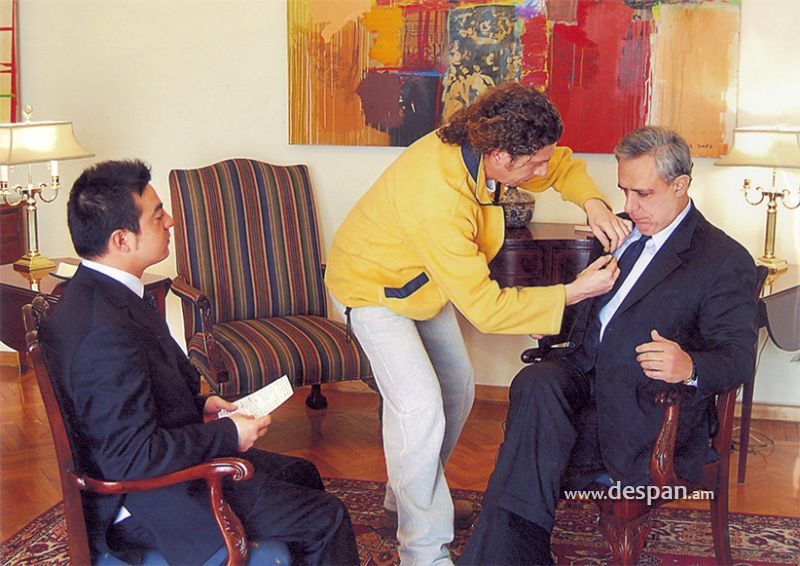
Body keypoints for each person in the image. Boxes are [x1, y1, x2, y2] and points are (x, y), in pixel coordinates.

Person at [324, 82, 630, 564]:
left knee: (458, 389)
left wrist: (591, 201)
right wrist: (572, 293)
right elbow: (486, 309)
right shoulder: (438, 197)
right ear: (500, 156)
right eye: (533, 164)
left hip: (425, 283)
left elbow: (559, 165)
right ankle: (423, 551)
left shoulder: (485, 146)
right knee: (420, 409)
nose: (542, 171)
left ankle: (405, 496)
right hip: (372, 288)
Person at [459, 126, 759, 565]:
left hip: (646, 412)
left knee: (527, 452)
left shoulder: (722, 259)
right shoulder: (622, 235)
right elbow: (599, 317)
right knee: (537, 382)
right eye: (624, 191)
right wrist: (554, 315)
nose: (629, 207)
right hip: (582, 387)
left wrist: (689, 366)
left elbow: (738, 357)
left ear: (681, 185)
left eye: (643, 194)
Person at [41, 160, 359, 565]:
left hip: (161, 468)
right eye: (158, 216)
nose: (171, 221)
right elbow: (131, 457)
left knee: (303, 474)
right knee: (327, 517)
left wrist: (202, 406)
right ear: (122, 240)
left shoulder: (103, 294)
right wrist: (228, 435)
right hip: (148, 501)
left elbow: (130, 406)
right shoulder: (103, 332)